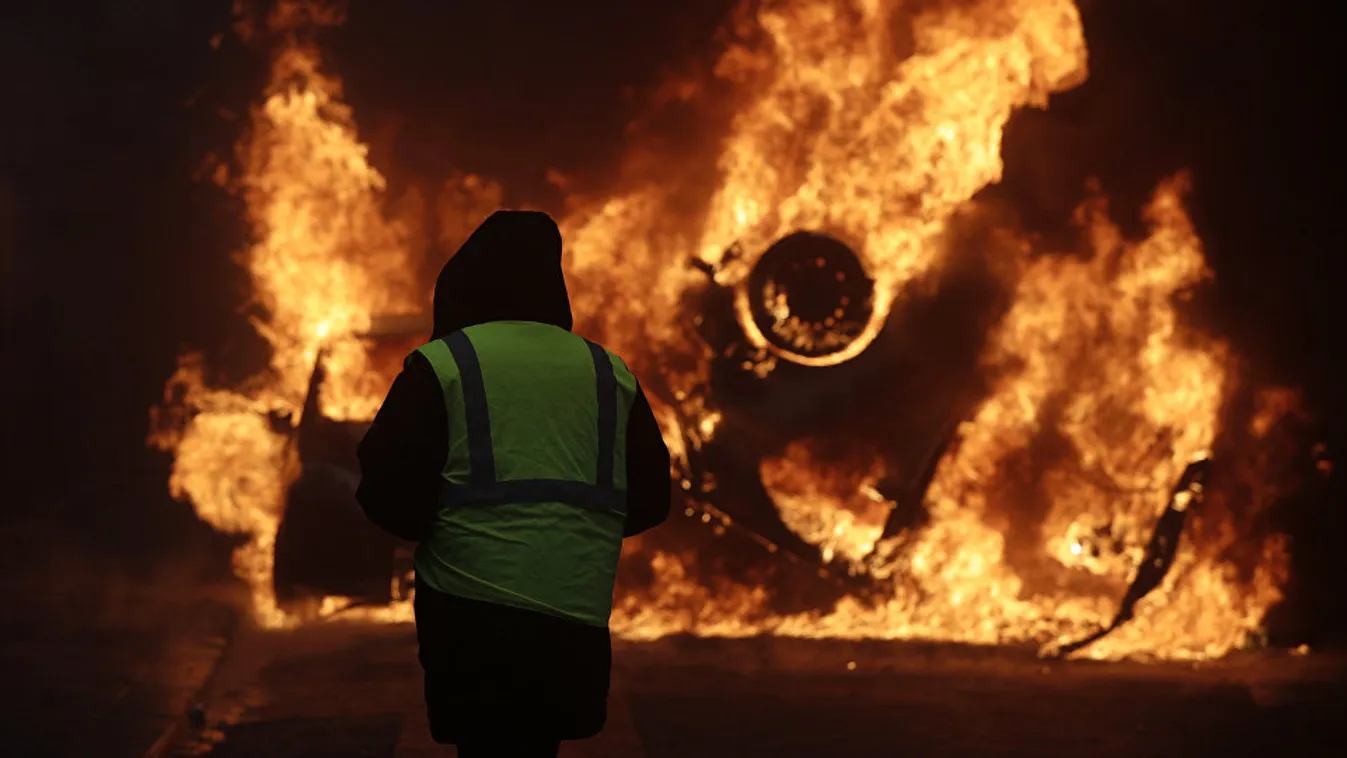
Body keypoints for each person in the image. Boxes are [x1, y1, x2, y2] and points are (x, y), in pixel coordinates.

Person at [356, 210, 672, 757]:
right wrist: (568, 535)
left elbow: (389, 492)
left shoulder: (443, 365)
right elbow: (651, 499)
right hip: (574, 615)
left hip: (469, 615)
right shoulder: (608, 371)